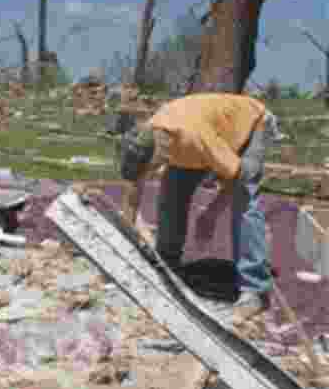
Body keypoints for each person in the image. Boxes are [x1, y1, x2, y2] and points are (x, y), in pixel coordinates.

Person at [118, 92, 278, 322]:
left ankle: (255, 291)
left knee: (244, 200)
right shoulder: (148, 138)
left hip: (251, 126)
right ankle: (167, 265)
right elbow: (132, 193)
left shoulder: (196, 139)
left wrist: (210, 214)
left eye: (151, 169)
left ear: (161, 152)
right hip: (199, 134)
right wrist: (135, 231)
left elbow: (236, 180)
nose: (149, 175)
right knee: (171, 191)